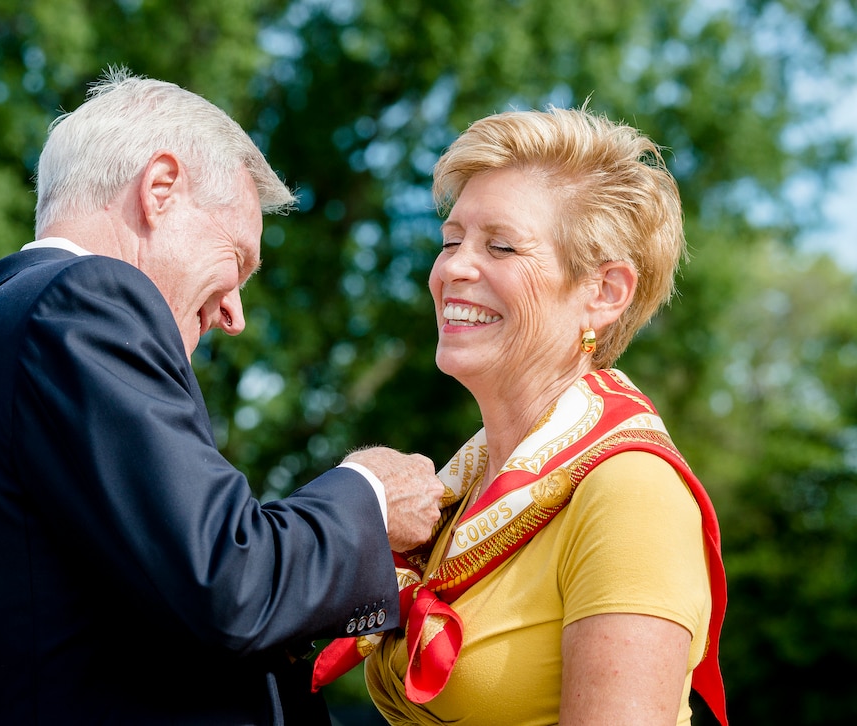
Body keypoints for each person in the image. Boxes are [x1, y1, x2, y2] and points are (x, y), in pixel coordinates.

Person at [0, 67, 446, 725]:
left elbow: (160, 606)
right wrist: (368, 498)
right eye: (237, 260)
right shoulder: (84, 302)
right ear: (160, 190)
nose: (234, 313)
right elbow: (226, 580)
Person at [312, 107, 728, 725]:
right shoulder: (460, 491)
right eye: (451, 240)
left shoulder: (631, 493)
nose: (452, 267)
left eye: (500, 246)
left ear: (605, 291)